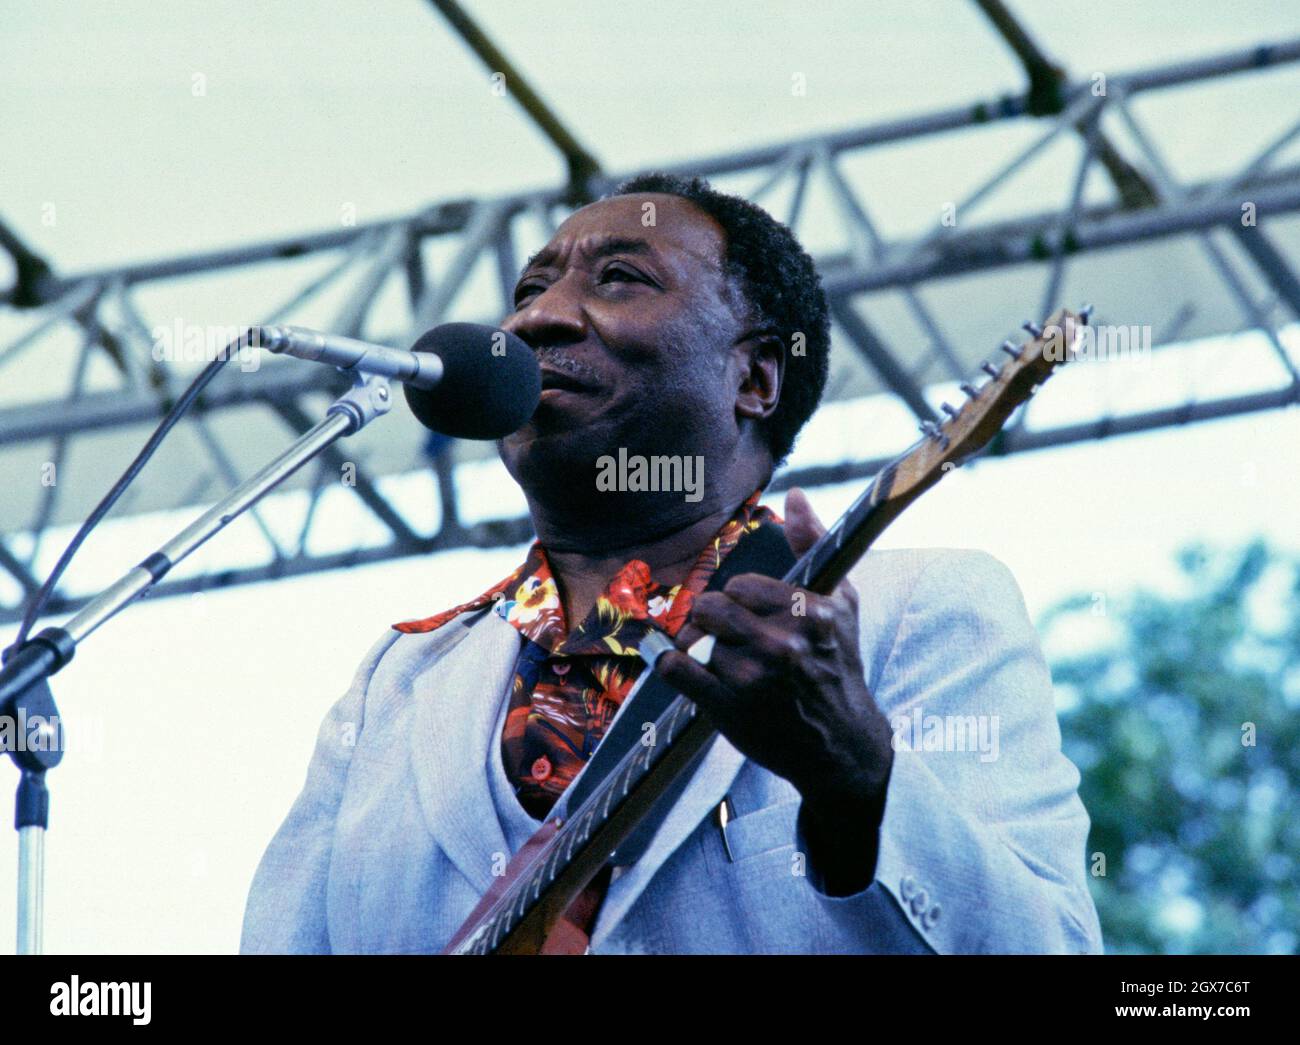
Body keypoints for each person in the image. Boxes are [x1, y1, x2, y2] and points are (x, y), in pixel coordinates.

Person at [240, 173, 1102, 954]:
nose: (535, 318)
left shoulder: (915, 607)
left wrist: (857, 774)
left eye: (619, 278)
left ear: (756, 377)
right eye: (530, 289)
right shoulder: (398, 682)